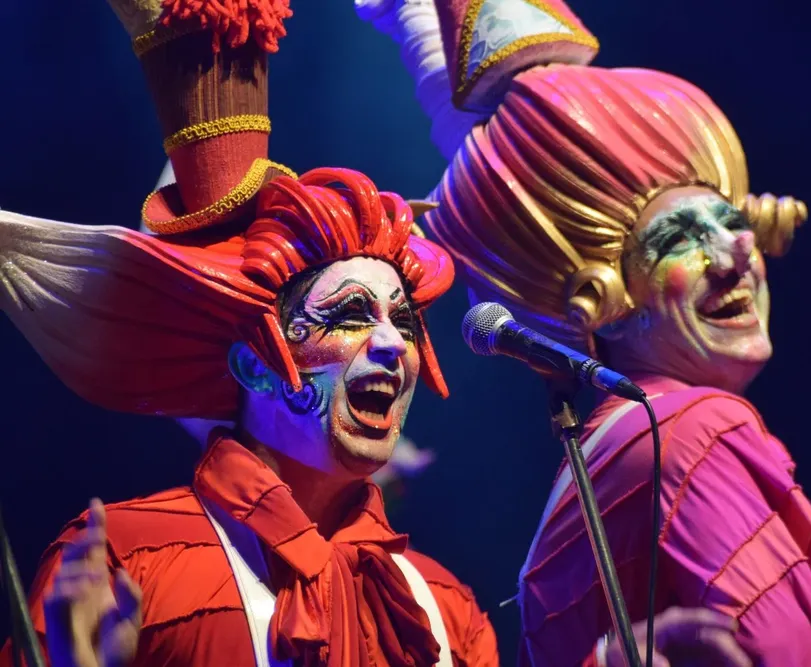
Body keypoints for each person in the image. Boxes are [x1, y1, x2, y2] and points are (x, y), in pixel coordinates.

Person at [358, 0, 811, 664]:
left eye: (729, 221)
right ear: (599, 297)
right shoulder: (691, 429)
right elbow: (784, 648)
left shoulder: (599, 461)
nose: (736, 253)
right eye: (680, 237)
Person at [0, 0, 500, 664]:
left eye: (404, 322)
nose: (392, 346)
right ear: (253, 366)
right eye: (351, 314)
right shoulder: (127, 565)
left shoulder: (444, 608)